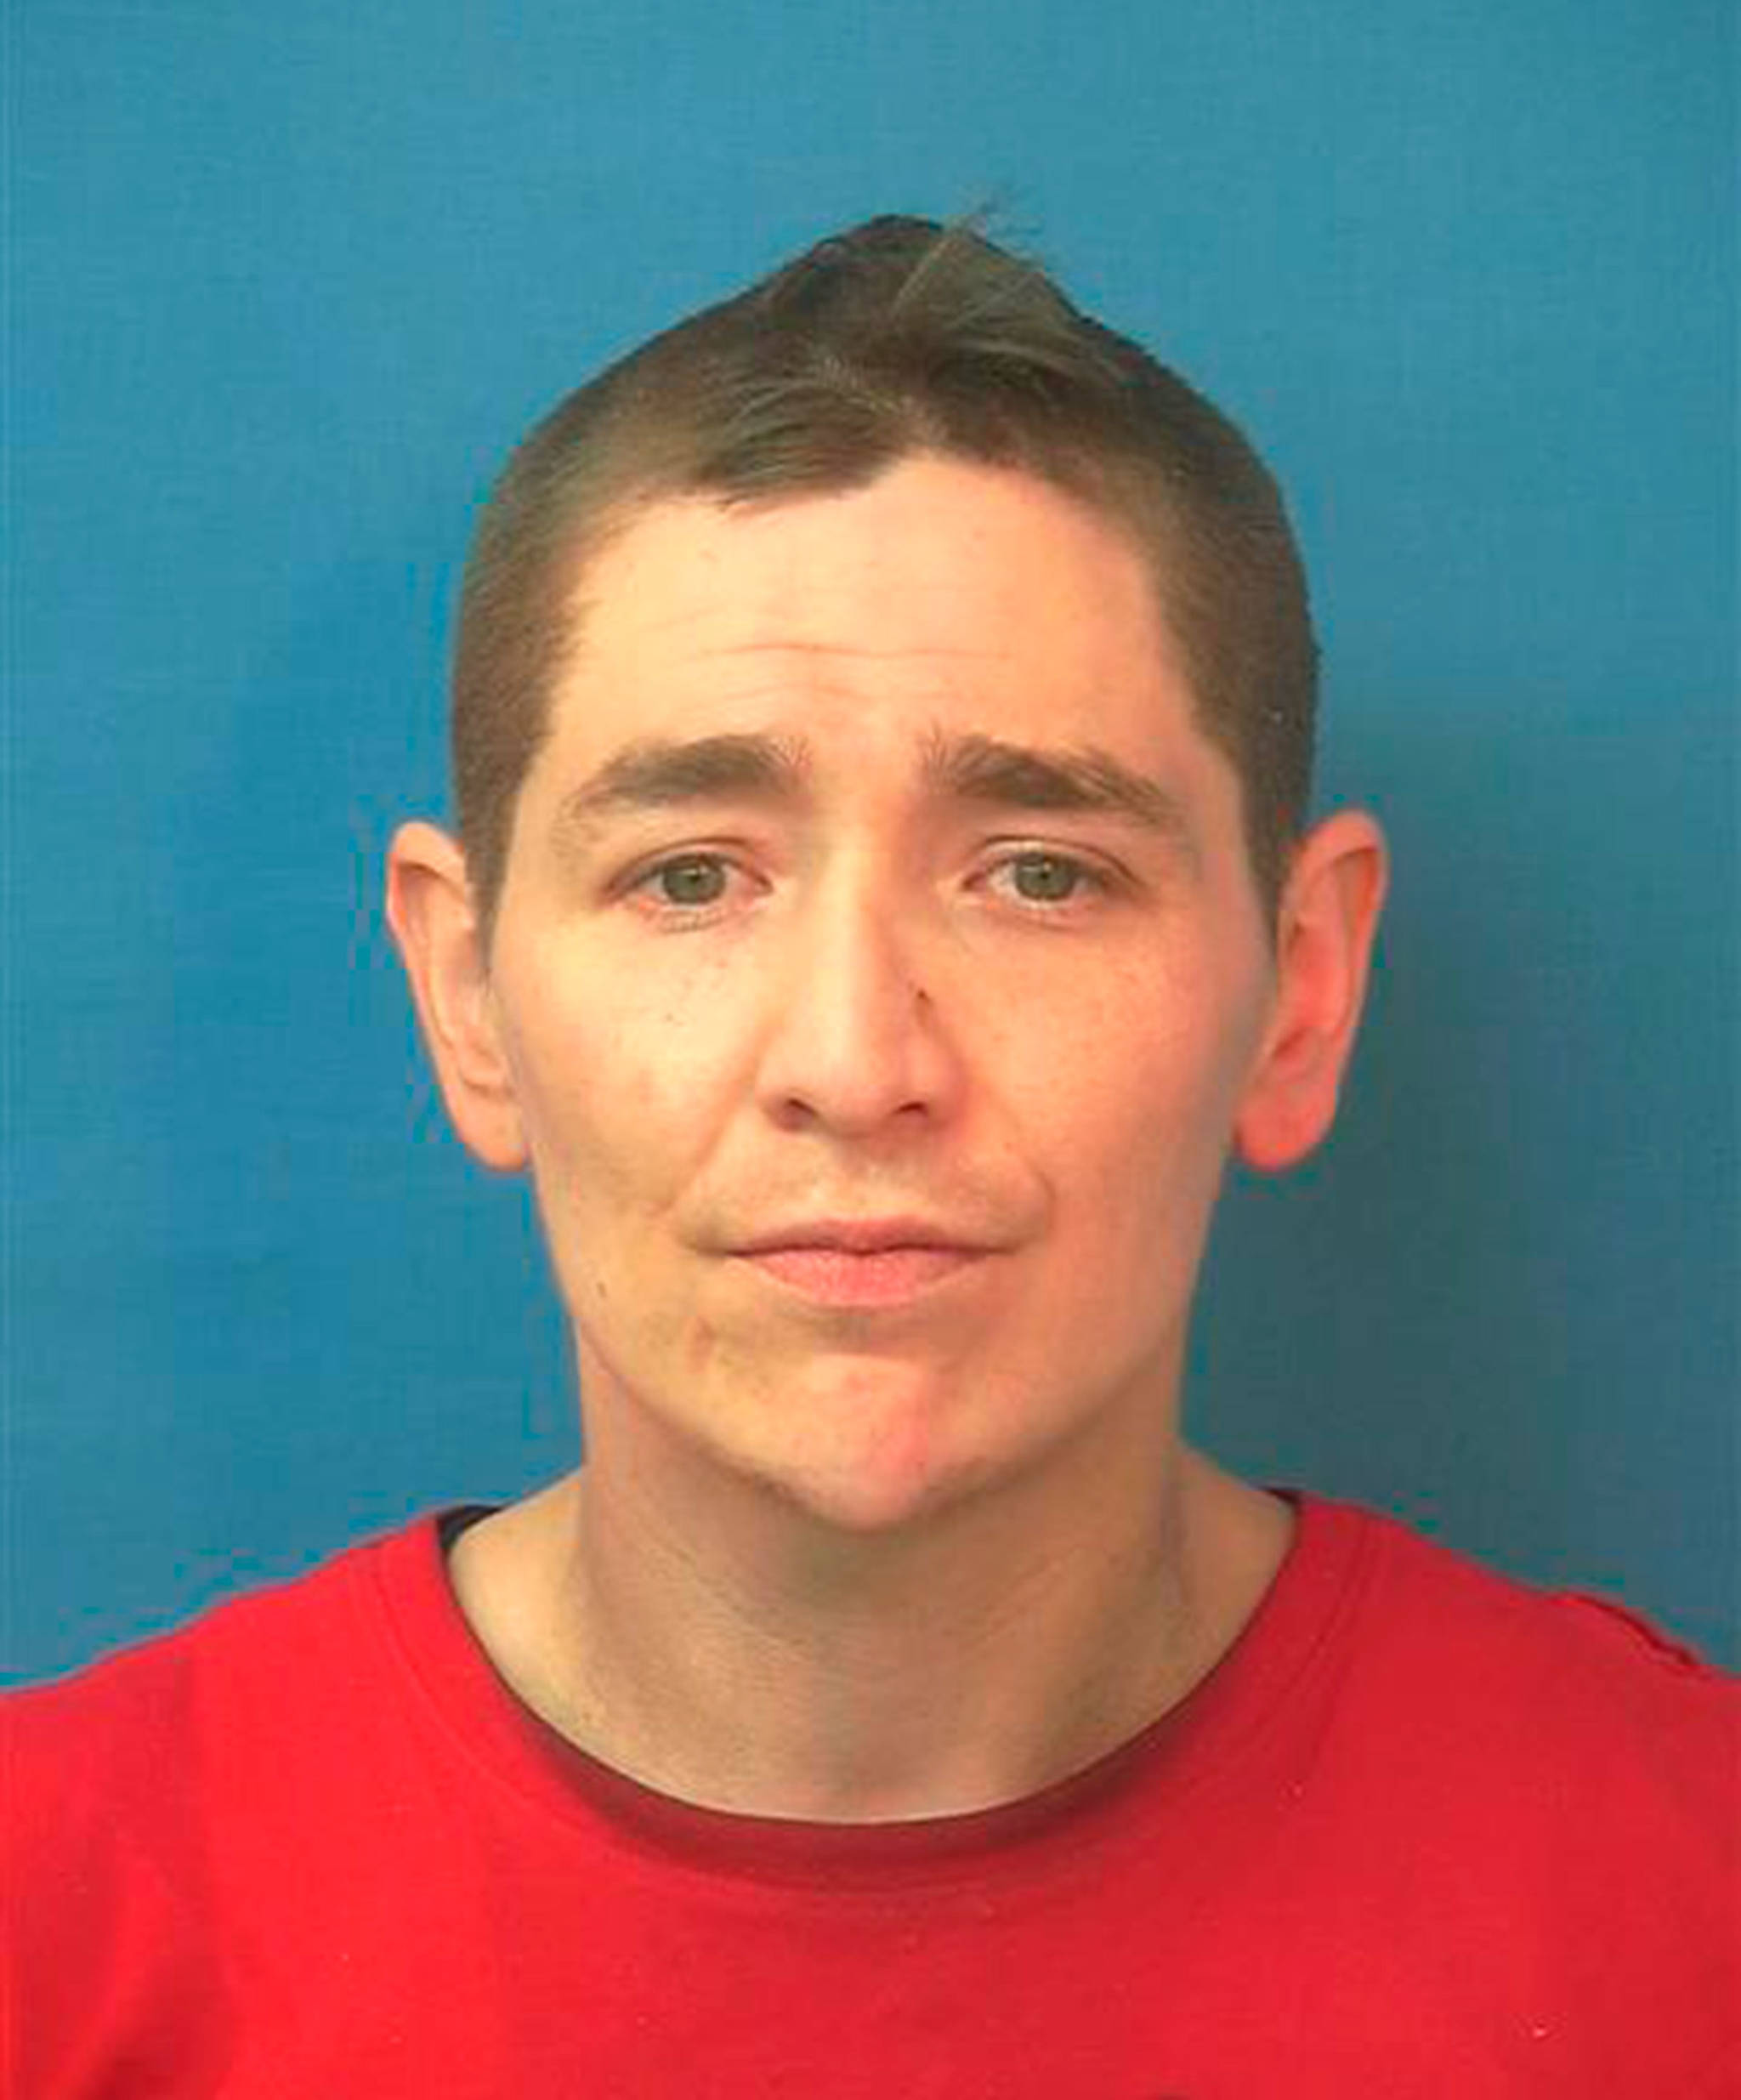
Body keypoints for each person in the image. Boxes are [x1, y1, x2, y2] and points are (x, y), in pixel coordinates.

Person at [6, 214, 1735, 2096]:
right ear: (467, 994)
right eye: (691, 875)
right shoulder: (53, 1913)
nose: (855, 1063)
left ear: (1300, 990)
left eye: (1040, 873)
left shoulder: (1685, 1889)